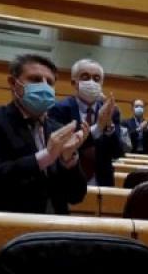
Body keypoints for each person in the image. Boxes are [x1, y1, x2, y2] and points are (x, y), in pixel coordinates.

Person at [0, 54, 88, 214]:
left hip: (55, 229)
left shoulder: (58, 129)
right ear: (13, 83)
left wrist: (68, 161)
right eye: (35, 79)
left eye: (49, 82)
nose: (44, 86)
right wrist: (46, 156)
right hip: (7, 225)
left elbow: (76, 196)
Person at [48, 59, 124, 187]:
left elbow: (117, 152)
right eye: (85, 77)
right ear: (74, 82)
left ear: (101, 84)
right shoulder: (59, 109)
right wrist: (98, 127)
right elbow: (61, 149)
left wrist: (109, 124)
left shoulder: (111, 111)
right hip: (69, 179)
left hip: (101, 180)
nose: (91, 82)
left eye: (96, 78)